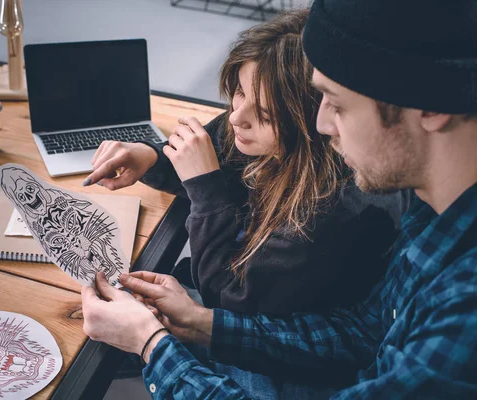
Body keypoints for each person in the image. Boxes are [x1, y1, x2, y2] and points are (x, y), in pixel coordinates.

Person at [81, 0, 477, 399]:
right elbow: (363, 333)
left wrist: (153, 346)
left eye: (337, 105)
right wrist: (202, 323)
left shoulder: (462, 317)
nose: (321, 124)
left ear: (430, 106)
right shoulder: (432, 215)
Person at [83, 10, 407, 317]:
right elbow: (208, 156)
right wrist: (151, 156)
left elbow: (226, 296)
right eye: (238, 92)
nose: (236, 117)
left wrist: (204, 189)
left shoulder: (323, 214)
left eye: (264, 114)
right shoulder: (256, 124)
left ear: (315, 121)